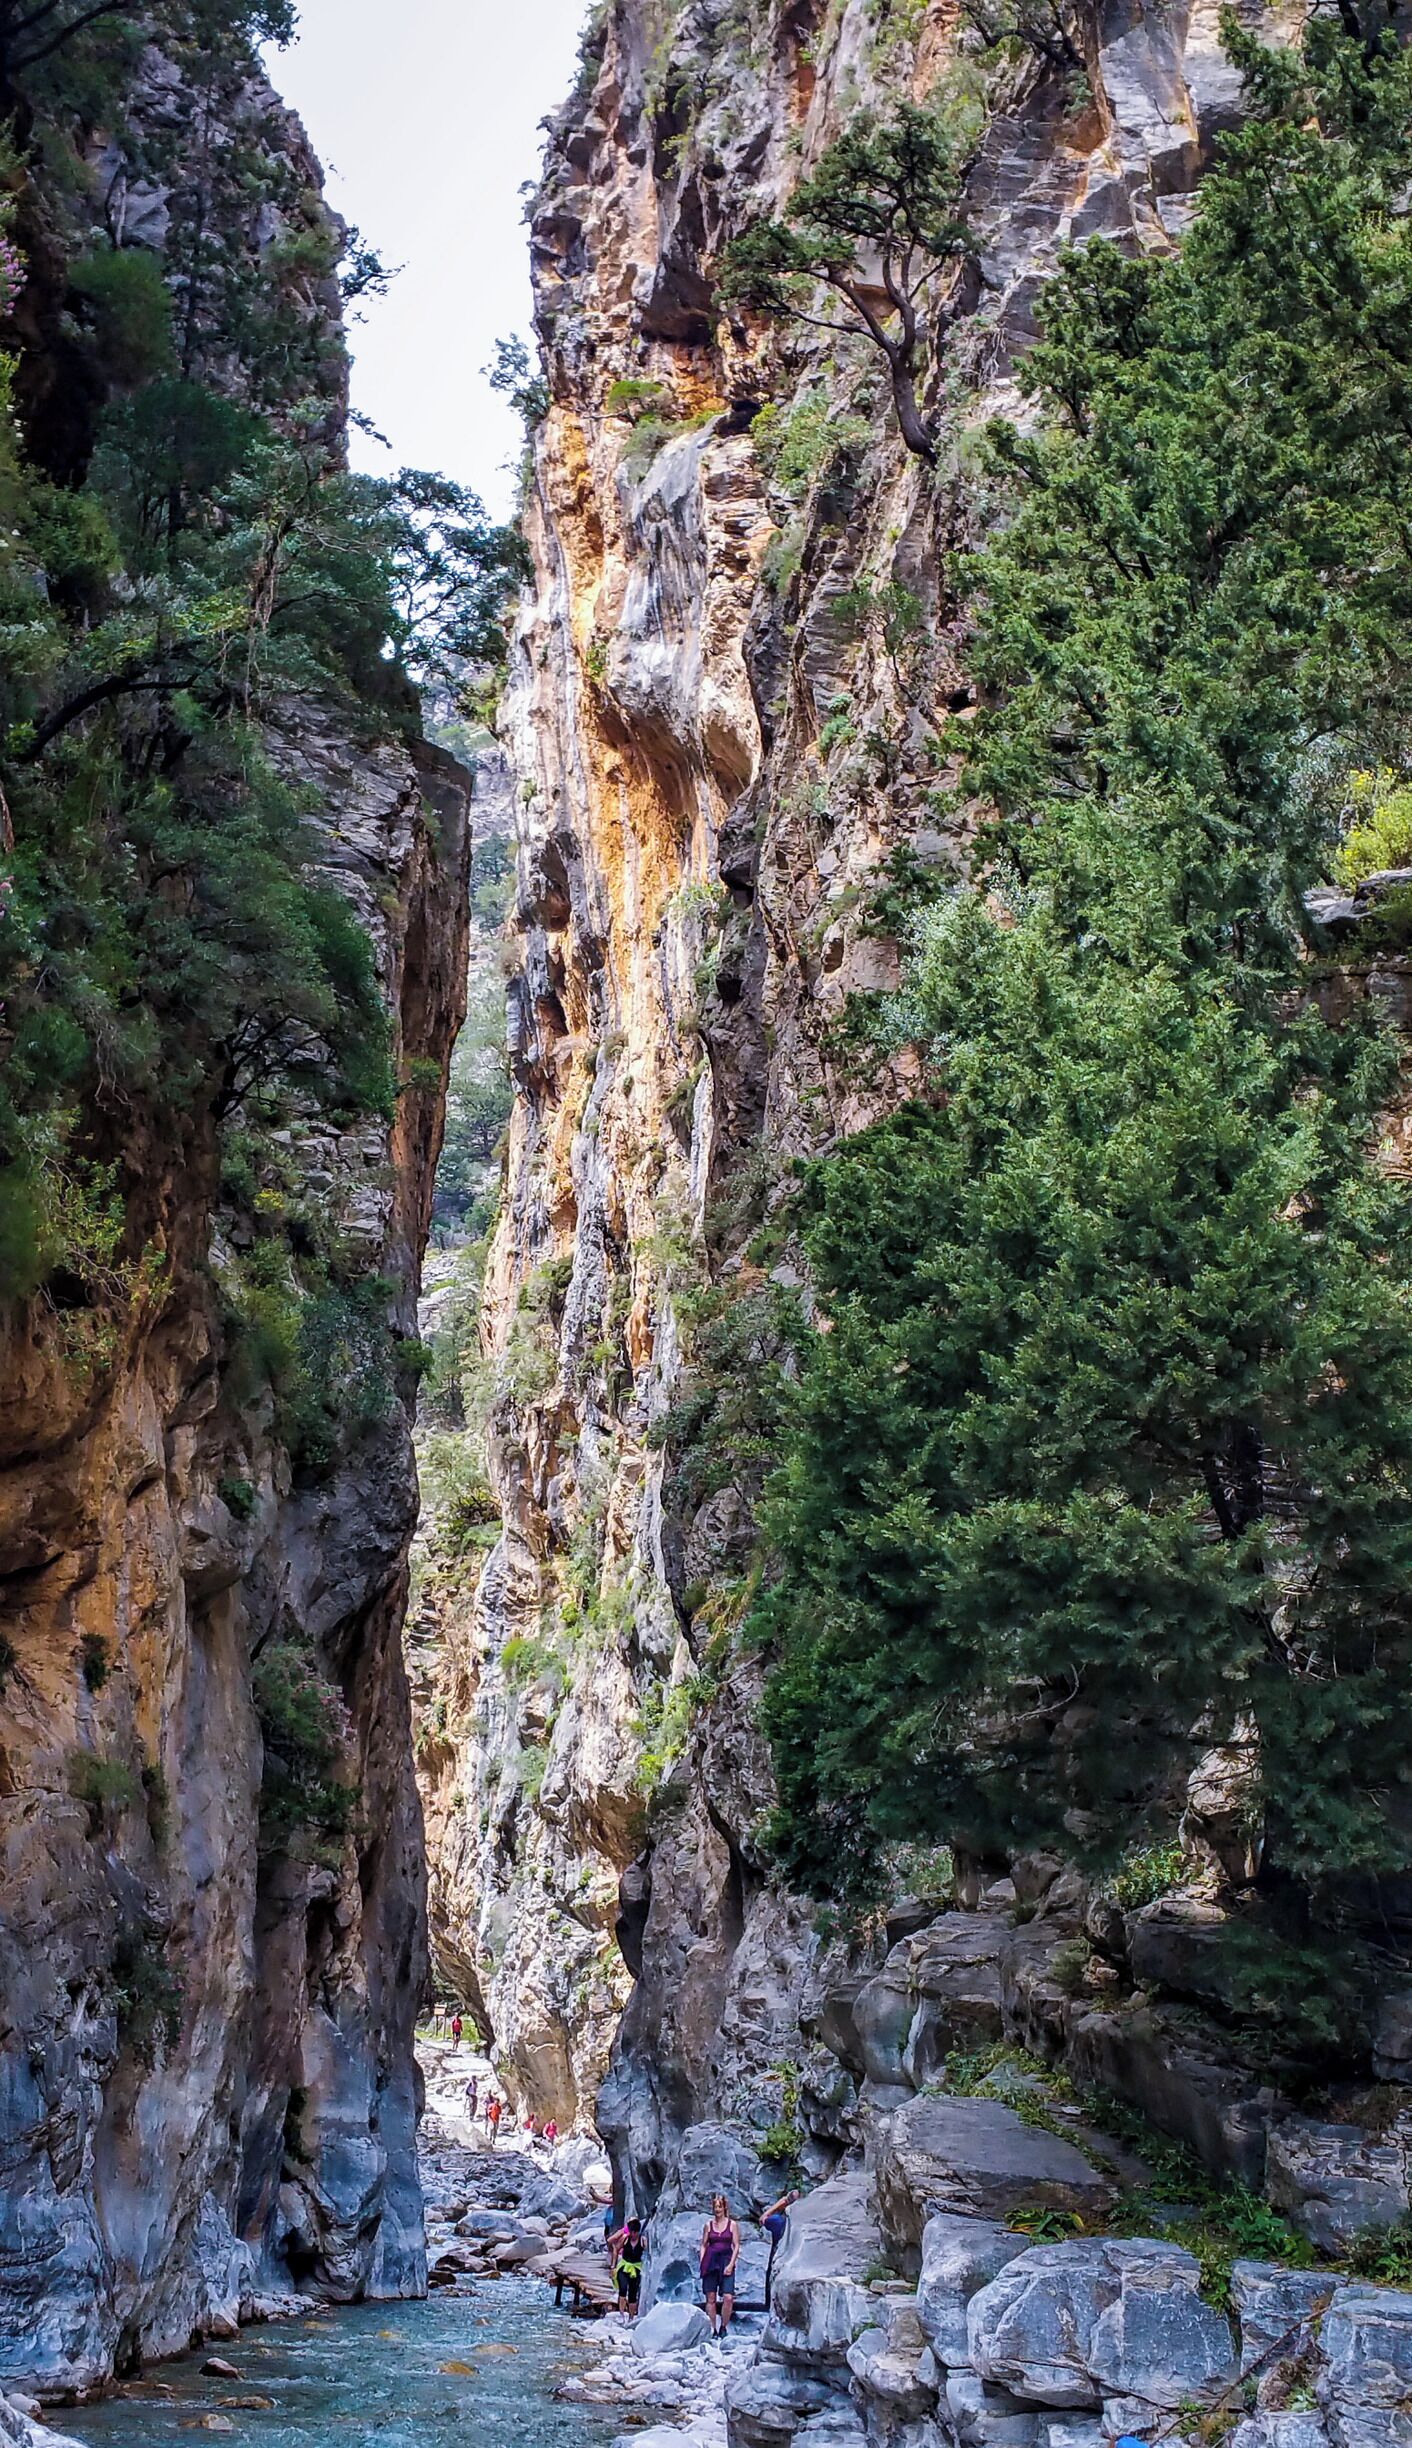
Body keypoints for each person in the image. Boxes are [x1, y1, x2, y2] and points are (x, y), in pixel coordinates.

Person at [700, 2194, 741, 2337]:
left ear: (724, 2207)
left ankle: (723, 2326)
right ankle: (713, 2329)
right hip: (711, 2261)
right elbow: (704, 2244)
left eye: (719, 2206)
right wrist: (702, 2260)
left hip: (726, 2260)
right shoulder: (708, 2225)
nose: (717, 2209)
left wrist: (731, 2264)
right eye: (715, 2207)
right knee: (710, 2297)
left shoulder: (732, 2225)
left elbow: (736, 2246)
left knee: (728, 2297)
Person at [758, 2189, 798, 2308]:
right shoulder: (803, 2225)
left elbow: (763, 2218)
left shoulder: (778, 2221)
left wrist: (783, 2202)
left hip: (778, 2262)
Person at [610, 2215, 646, 2320]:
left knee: (633, 2293)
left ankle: (631, 2317)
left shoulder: (643, 2241)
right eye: (631, 2232)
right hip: (624, 2266)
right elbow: (616, 2249)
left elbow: (648, 2254)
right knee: (623, 2289)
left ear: (638, 2231)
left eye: (635, 2232)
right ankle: (621, 2314)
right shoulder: (625, 2239)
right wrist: (613, 2265)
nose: (633, 2234)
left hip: (636, 2268)